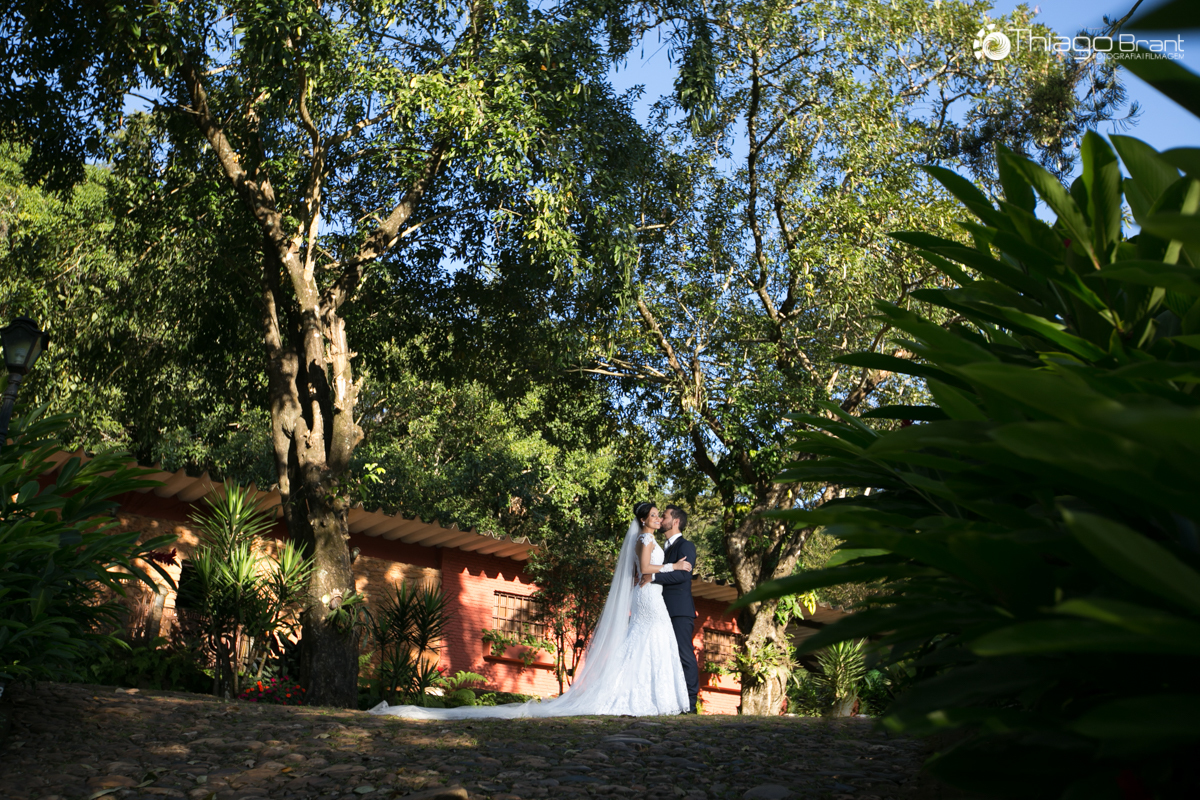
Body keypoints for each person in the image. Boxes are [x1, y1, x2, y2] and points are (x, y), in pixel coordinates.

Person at [366, 501, 692, 719]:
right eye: (652, 515)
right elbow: (647, 571)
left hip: (650, 597)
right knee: (649, 642)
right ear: (642, 520)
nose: (656, 517)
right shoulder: (646, 542)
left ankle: (654, 696)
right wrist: (673, 566)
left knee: (649, 644)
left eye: (658, 515)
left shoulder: (650, 540)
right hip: (649, 595)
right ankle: (646, 697)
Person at [644, 504, 699, 713]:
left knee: (684, 654)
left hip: (680, 610)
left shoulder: (686, 546)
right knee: (665, 655)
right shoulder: (662, 547)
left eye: (664, 516)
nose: (661, 519)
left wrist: (654, 576)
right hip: (660, 608)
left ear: (675, 521)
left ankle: (691, 704)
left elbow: (683, 574)